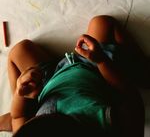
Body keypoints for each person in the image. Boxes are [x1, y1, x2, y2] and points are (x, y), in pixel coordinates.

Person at [0, 15, 148, 137]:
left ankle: (23, 106)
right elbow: (130, 97)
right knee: (102, 23)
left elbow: (19, 116)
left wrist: (22, 93)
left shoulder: (30, 128)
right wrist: (102, 61)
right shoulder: (110, 123)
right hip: (91, 69)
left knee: (19, 51)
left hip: (48, 82)